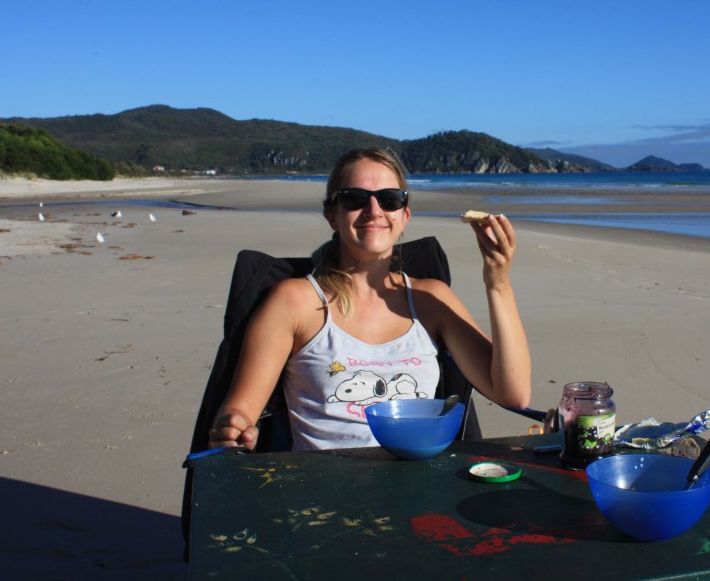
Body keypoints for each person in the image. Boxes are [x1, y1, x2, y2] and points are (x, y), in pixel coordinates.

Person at [209, 147, 532, 451]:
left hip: (418, 489)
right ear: (332, 215)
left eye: (390, 199)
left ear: (405, 215)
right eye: (354, 199)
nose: (374, 210)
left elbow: (512, 393)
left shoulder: (430, 299)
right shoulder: (294, 302)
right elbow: (240, 409)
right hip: (325, 493)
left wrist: (498, 282)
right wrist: (233, 426)